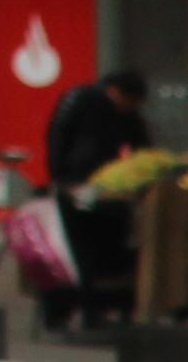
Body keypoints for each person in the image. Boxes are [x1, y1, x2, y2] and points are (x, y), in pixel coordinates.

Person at [41, 64, 151, 332]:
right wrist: (60, 178)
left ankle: (102, 308)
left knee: (109, 249)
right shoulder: (80, 100)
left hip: (105, 189)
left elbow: (142, 145)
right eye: (129, 101)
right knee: (76, 252)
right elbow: (57, 136)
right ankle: (69, 311)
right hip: (75, 187)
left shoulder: (127, 115)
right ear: (116, 92)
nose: (131, 108)